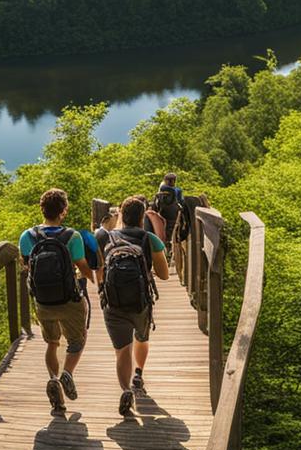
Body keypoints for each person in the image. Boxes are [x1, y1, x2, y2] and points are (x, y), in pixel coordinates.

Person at [19, 188, 94, 413]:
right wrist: (95, 281)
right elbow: (82, 266)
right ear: (64, 211)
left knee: (52, 343)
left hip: (43, 301)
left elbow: (27, 265)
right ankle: (67, 373)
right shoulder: (72, 236)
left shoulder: (27, 236)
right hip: (69, 299)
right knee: (77, 341)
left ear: (42, 209)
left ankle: (53, 379)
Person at [97, 195, 170, 416]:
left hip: (113, 302)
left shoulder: (106, 237)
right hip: (140, 302)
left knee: (122, 351)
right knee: (141, 338)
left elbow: (98, 269)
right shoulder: (150, 239)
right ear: (142, 217)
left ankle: (125, 389)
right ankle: (138, 373)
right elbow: (164, 275)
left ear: (121, 215)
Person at [149, 173, 183, 244]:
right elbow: (181, 202)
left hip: (162, 216)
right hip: (174, 217)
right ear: (174, 181)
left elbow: (155, 206)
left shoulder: (160, 192)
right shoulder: (178, 191)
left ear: (165, 180)